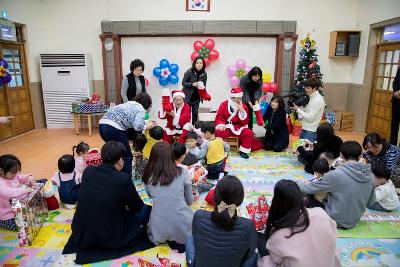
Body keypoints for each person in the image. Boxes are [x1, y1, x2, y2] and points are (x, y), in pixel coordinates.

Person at [63, 141, 154, 264]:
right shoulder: (123, 179)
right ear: (120, 160)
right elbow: (136, 206)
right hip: (108, 234)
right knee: (146, 211)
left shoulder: (88, 171)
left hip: (81, 230)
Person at [259, 179, 341, 267]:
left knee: (262, 249)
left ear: (276, 202)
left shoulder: (279, 234)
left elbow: (276, 259)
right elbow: (334, 235)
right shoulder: (321, 213)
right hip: (329, 263)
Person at [298, 141, 376, 229]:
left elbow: (308, 188)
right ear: (360, 155)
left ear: (341, 155)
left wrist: (299, 182)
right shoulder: (370, 175)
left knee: (301, 194)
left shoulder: (336, 174)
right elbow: (371, 202)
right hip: (354, 220)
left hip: (333, 218)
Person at [186, 175, 258, 267]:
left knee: (190, 239)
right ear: (240, 200)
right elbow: (249, 254)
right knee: (255, 252)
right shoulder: (248, 225)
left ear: (215, 197)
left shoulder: (199, 216)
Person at [142, 142, 193, 252]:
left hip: (158, 228)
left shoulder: (148, 176)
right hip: (182, 227)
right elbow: (189, 201)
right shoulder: (182, 171)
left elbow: (150, 195)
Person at [99, 92, 152, 174]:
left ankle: (110, 174)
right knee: (127, 156)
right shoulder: (140, 108)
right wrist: (147, 126)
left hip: (102, 125)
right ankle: (125, 179)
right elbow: (137, 127)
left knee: (113, 152)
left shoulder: (128, 103)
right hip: (114, 127)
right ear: (147, 103)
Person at [215, 87, 254, 159]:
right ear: (232, 98)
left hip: (239, 126)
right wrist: (221, 125)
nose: (240, 100)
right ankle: (221, 150)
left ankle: (243, 151)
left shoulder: (244, 106)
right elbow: (219, 117)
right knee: (219, 132)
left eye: (240, 98)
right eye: (238, 98)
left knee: (248, 132)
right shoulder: (224, 104)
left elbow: (246, 121)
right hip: (227, 126)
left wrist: (242, 110)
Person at [0, 155, 35, 231]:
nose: (16, 174)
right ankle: (1, 222)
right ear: (1, 171)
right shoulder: (1, 183)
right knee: (20, 227)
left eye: (17, 171)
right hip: (6, 214)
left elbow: (21, 177)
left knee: (31, 218)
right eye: (13, 171)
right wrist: (24, 190)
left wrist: (29, 177)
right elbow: (9, 192)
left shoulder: (14, 176)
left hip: (17, 208)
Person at [291, 78, 325, 142]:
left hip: (311, 131)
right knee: (301, 149)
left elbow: (310, 118)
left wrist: (297, 109)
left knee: (307, 151)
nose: (306, 90)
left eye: (308, 88)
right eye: (305, 88)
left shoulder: (318, 100)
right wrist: (298, 107)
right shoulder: (311, 97)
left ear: (315, 88)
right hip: (305, 128)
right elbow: (307, 110)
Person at [182, 57, 209, 123]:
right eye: (197, 63)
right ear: (194, 64)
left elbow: (204, 85)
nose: (199, 64)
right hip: (187, 97)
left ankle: (194, 128)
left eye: (201, 63)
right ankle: (186, 128)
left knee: (195, 113)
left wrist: (204, 95)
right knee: (186, 114)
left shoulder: (204, 73)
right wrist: (192, 84)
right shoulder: (189, 71)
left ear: (203, 64)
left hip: (196, 98)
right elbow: (183, 83)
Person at [390, 67, 400, 145]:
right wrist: (396, 91)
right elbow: (395, 82)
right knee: (394, 125)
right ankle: (392, 145)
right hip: (397, 100)